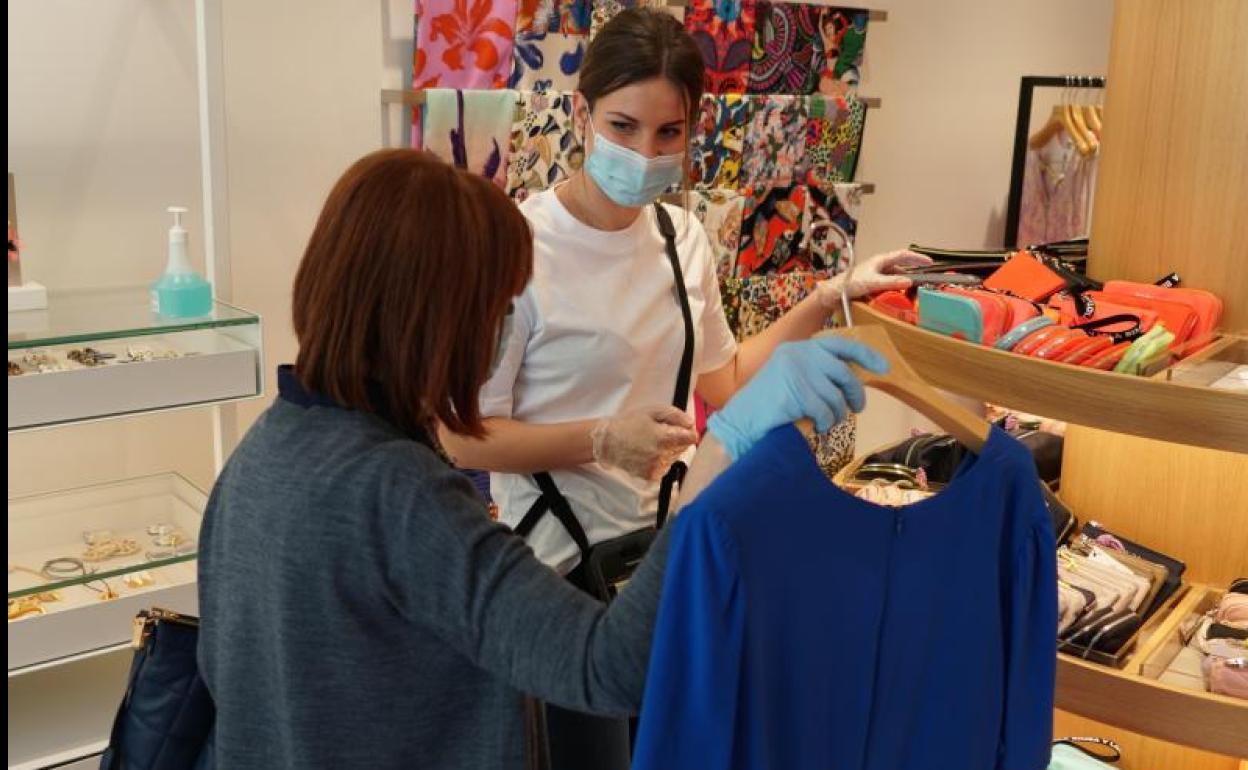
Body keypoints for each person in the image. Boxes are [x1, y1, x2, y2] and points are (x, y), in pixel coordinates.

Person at [196, 149, 889, 769]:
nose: (500, 332)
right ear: (435, 318)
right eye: (497, 308)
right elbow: (608, 665)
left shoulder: (263, 455)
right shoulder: (399, 495)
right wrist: (725, 448)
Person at [438, 10, 928, 767]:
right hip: (556, 580)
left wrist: (832, 295)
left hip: (669, 560)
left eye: (668, 134)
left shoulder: (680, 238)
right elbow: (461, 434)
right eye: (624, 126)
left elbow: (727, 382)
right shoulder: (516, 249)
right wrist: (602, 438)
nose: (643, 152)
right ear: (581, 113)